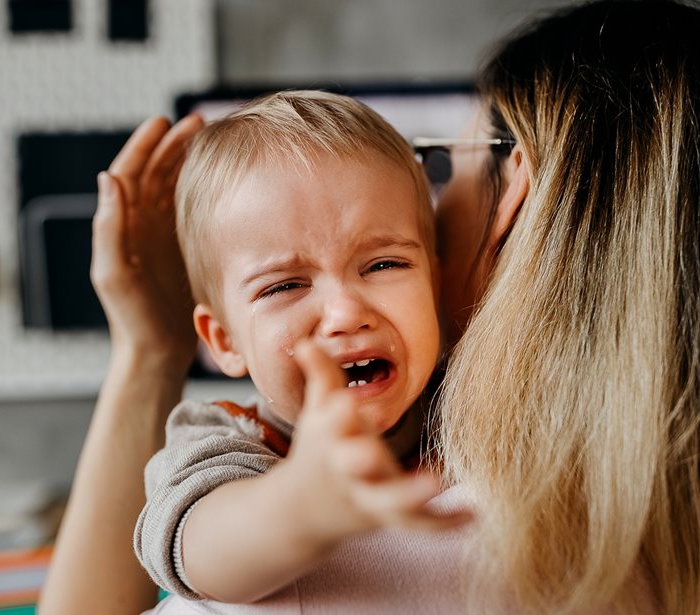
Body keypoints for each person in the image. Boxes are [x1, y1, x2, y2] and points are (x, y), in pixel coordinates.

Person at [38, 1, 700, 614]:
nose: (345, 309)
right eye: (287, 282)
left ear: (514, 188)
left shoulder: (367, 555)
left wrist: (148, 362)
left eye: (441, 164)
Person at [133, 90, 467, 605]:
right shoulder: (222, 439)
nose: (345, 314)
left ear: (435, 285)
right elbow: (201, 554)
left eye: (384, 265)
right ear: (224, 341)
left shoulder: (473, 400)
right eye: (284, 286)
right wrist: (300, 502)